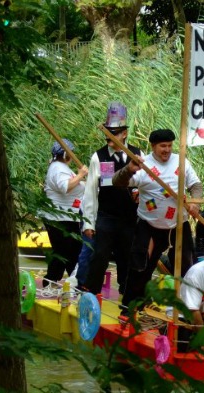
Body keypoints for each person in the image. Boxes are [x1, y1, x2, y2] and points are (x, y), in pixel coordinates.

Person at [112, 128, 202, 312]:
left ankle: (188, 310)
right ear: (153, 146)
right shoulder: (142, 165)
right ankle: (130, 307)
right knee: (140, 267)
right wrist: (128, 169)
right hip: (150, 225)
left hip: (178, 224)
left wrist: (195, 203)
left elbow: (196, 185)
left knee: (187, 268)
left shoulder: (181, 161)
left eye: (169, 145)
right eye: (163, 146)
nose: (167, 150)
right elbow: (116, 182)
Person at [78, 102, 143, 295]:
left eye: (114, 132)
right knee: (99, 256)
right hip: (106, 216)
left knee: (127, 257)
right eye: (108, 132)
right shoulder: (98, 157)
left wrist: (141, 192)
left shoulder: (138, 155)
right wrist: (88, 223)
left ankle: (127, 295)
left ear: (124, 133)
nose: (110, 137)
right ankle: (90, 294)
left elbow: (147, 182)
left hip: (130, 217)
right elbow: (90, 191)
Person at [39, 139, 88, 286]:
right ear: (66, 153)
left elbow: (74, 185)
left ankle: (76, 281)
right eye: (71, 152)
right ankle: (51, 281)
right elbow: (65, 186)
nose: (73, 156)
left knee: (73, 251)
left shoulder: (61, 167)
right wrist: (81, 174)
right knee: (64, 252)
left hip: (68, 217)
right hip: (59, 218)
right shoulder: (57, 168)